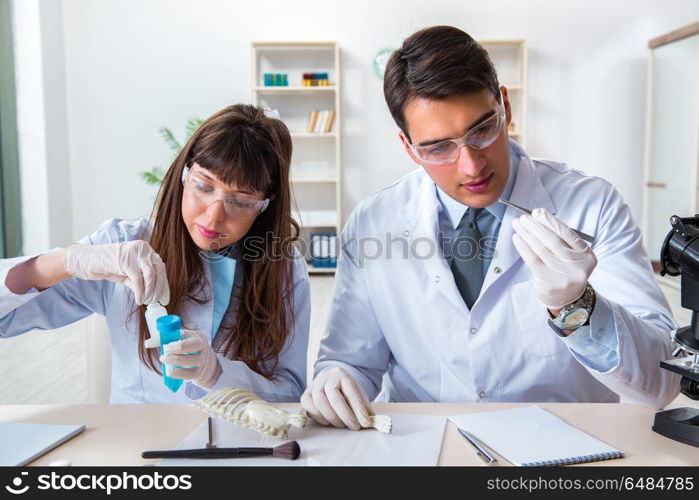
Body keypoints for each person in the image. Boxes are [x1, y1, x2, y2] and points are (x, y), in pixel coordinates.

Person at [301, 26, 679, 430]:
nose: (471, 166)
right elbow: (350, 362)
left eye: (482, 129)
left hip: (563, 450)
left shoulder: (592, 205)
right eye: (438, 147)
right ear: (408, 147)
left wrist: (577, 307)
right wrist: (335, 380)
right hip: (428, 445)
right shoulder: (373, 222)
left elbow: (661, 384)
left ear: (505, 107)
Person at [0, 104, 310, 403]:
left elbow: (290, 393)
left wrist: (216, 372)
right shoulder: (122, 244)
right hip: (138, 442)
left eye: (241, 201)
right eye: (203, 186)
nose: (214, 216)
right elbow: (6, 319)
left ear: (265, 205)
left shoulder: (283, 267)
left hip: (238, 442)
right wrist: (67, 261)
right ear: (184, 175)